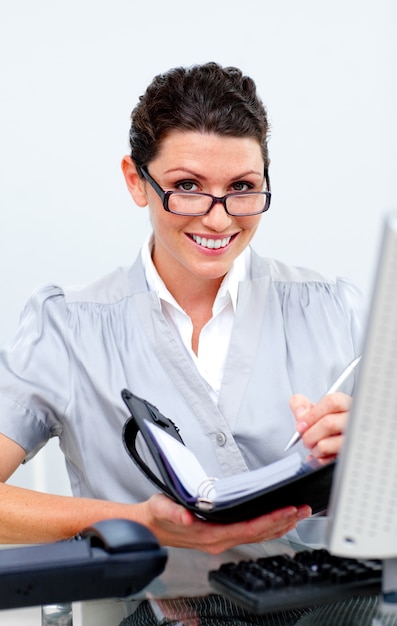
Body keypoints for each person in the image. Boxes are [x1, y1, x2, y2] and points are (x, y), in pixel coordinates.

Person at [0, 63, 365, 625]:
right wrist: (136, 521)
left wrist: (375, 454)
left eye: (242, 188)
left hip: (329, 605)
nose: (218, 218)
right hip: (165, 612)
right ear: (134, 179)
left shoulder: (335, 309)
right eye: (187, 187)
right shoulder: (67, 327)